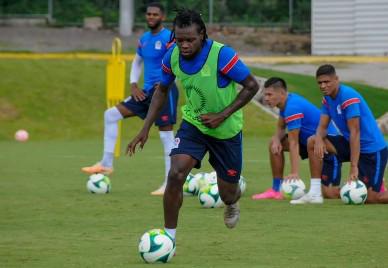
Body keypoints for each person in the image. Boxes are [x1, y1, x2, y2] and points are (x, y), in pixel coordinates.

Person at [127, 8, 259, 241]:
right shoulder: (172, 56)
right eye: (180, 40)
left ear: (202, 36)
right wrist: (145, 128)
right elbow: (162, 90)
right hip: (194, 125)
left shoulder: (222, 55)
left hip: (226, 131)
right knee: (176, 174)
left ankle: (233, 200)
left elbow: (251, 86)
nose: (184, 45)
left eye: (190, 40)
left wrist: (222, 114)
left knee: (227, 194)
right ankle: (169, 238)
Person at [82, 2, 179, 196]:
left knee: (165, 135)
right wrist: (133, 85)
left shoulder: (169, 37)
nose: (151, 17)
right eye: (149, 14)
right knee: (110, 115)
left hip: (164, 91)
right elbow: (137, 62)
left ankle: (171, 184)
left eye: (155, 14)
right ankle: (106, 164)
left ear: (163, 16)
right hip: (145, 92)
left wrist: (168, 81)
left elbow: (178, 60)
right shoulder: (144, 39)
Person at [291, 64, 388, 204]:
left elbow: (355, 132)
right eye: (320, 83)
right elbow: (322, 126)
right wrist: (318, 138)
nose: (323, 86)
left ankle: (375, 183)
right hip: (350, 145)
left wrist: (353, 167)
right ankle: (315, 193)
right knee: (312, 140)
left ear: (336, 79)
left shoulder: (348, 96)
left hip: (372, 150)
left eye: (327, 82)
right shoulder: (327, 99)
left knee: (371, 198)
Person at [251, 77, 340, 201]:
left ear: (282, 93)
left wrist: (294, 173)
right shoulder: (285, 103)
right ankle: (276, 189)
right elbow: (281, 127)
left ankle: (354, 190)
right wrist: (276, 139)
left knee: (329, 194)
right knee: (274, 143)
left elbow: (294, 142)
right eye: (265, 94)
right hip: (309, 143)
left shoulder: (293, 107)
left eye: (269, 94)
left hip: (327, 149)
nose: (266, 98)